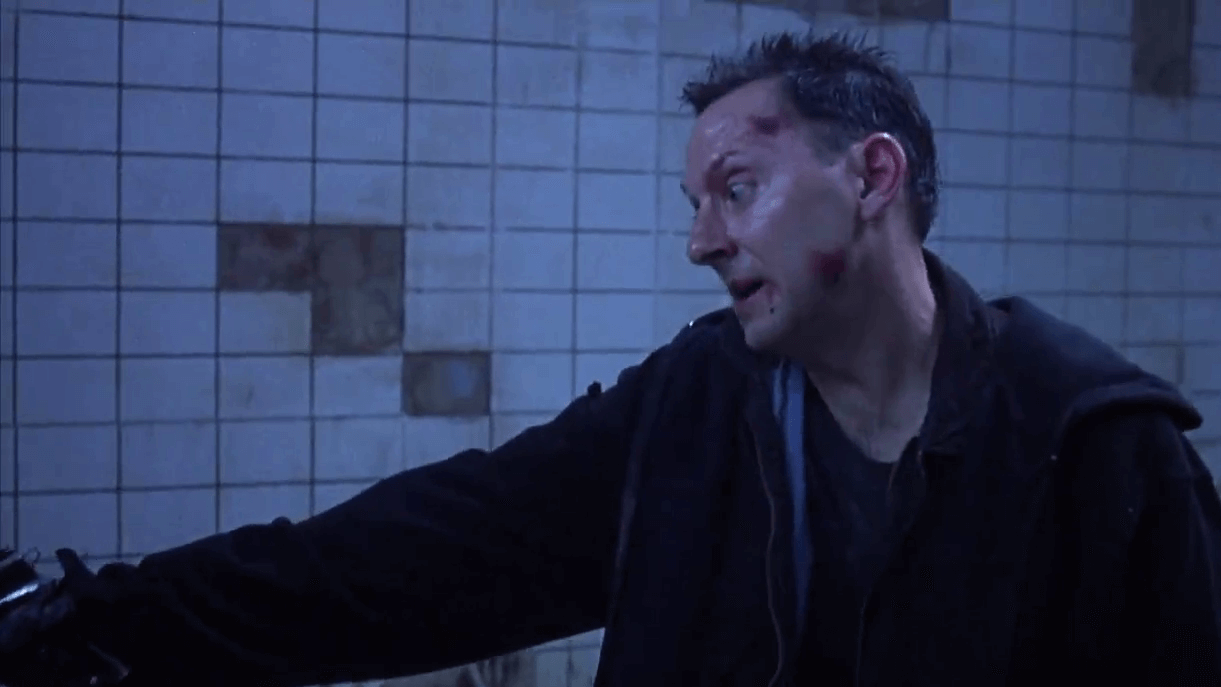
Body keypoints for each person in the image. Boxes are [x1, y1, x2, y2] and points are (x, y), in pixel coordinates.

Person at [3, 31, 1220, 687]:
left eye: (735, 189)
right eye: (696, 203)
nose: (701, 241)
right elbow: (418, 556)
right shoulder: (696, 409)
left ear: (871, 177)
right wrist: (100, 619)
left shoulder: (1095, 444)